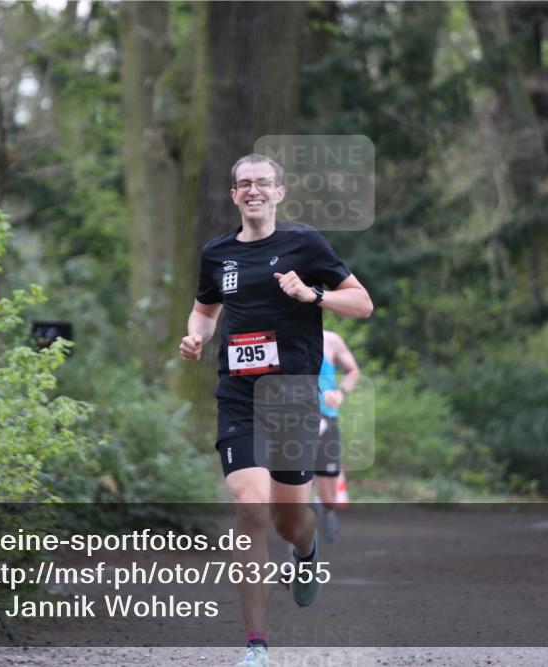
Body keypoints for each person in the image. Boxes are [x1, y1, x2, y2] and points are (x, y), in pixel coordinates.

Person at [180, 154, 372, 667]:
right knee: (250, 505)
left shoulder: (304, 244)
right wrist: (195, 338)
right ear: (234, 195)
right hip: (240, 396)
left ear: (279, 192)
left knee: (292, 522)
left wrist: (313, 295)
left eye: (262, 183)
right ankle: (256, 645)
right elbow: (204, 311)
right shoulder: (217, 253)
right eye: (244, 184)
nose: (253, 191)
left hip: (292, 397)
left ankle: (306, 552)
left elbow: (363, 303)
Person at [314, 329, 361, 543]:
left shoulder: (331, 340)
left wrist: (340, 393)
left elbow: (353, 370)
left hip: (327, 416)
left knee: (329, 498)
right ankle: (301, 536)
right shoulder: (281, 334)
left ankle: (324, 509)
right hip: (293, 418)